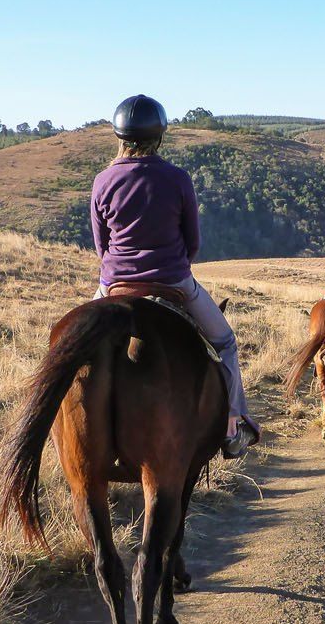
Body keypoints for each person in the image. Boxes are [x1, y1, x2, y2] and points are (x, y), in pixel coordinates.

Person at [90, 94, 259, 459]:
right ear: (160, 136)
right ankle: (233, 427)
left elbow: (101, 246)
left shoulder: (103, 181)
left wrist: (118, 270)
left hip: (114, 284)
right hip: (173, 281)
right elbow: (192, 242)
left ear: (119, 136)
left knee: (73, 349)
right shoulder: (178, 178)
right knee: (226, 343)